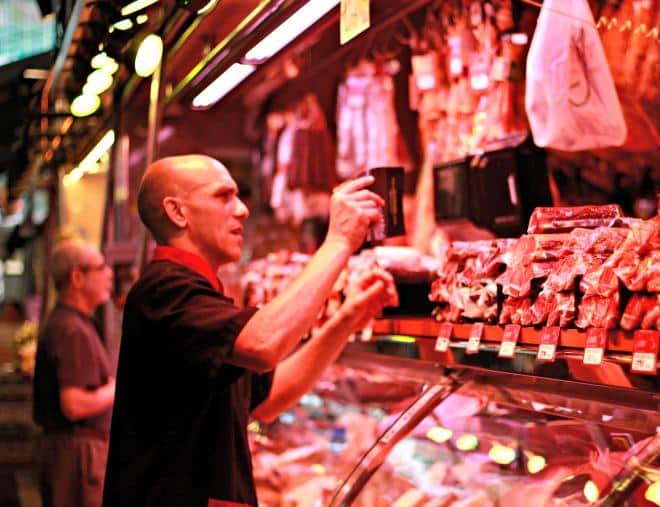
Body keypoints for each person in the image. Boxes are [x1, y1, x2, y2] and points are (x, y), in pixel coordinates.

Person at [103, 154, 397, 507]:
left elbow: (270, 399)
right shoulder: (166, 291)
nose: (242, 210)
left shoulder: (199, 296)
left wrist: (347, 320)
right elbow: (263, 344)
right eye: (223, 196)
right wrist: (338, 242)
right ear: (177, 212)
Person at [33, 239, 115, 507]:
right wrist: (117, 388)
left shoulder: (74, 322)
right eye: (101, 267)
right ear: (77, 277)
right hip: (77, 457)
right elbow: (74, 405)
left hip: (73, 454)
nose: (109, 274)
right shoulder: (71, 329)